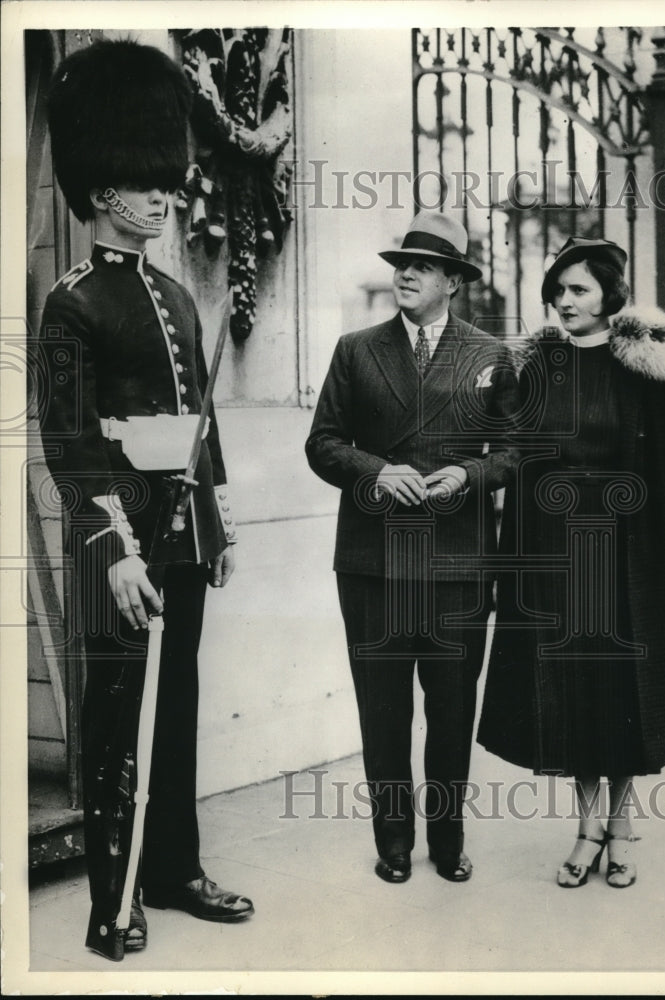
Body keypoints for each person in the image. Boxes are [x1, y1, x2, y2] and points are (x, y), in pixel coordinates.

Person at [38, 39, 252, 961]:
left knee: (179, 704)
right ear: (98, 192)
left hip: (182, 530)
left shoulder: (176, 293)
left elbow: (201, 414)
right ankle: (108, 900)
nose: (164, 195)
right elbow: (67, 439)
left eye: (166, 180)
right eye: (141, 182)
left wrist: (221, 510)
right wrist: (113, 547)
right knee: (116, 712)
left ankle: (172, 870)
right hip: (116, 538)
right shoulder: (73, 302)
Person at [477, 237, 665, 888]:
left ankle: (619, 825)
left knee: (626, 694)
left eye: (577, 288)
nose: (563, 299)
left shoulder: (645, 369)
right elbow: (517, 458)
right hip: (556, 557)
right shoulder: (537, 368)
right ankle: (587, 828)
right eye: (557, 288)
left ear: (610, 295)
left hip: (631, 559)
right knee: (574, 694)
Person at [306, 211, 519, 884]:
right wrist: (376, 470)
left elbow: (516, 452)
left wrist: (470, 474)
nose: (404, 273)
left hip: (458, 563)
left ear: (453, 281)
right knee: (384, 710)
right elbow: (323, 444)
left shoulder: (491, 355)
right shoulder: (356, 349)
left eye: (422, 266)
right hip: (373, 564)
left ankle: (448, 841)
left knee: (453, 710)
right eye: (401, 263)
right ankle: (393, 840)